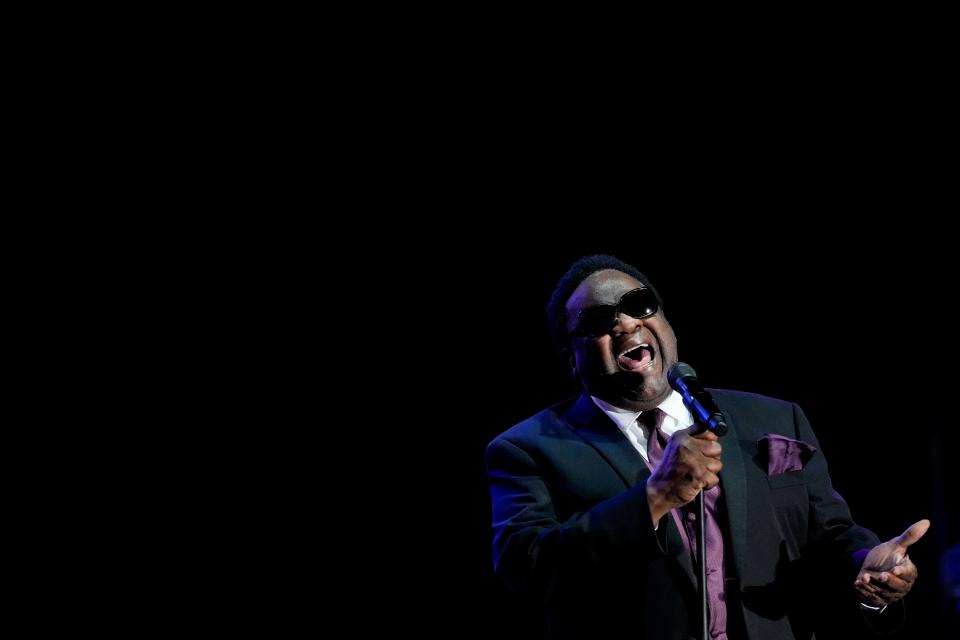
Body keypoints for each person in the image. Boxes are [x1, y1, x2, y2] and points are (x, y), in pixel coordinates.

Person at [486, 254, 927, 640]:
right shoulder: (529, 449)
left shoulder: (774, 419)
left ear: (666, 324)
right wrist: (654, 498)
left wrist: (868, 568)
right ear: (571, 357)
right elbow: (527, 570)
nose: (626, 323)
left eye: (639, 305)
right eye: (599, 321)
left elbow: (830, 537)